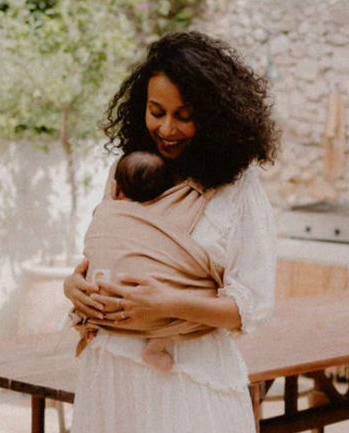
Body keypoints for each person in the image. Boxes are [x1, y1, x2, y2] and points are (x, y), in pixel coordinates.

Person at [62, 30, 278, 433]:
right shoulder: (128, 171)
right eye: (156, 111)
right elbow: (112, 250)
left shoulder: (236, 188)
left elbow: (252, 306)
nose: (166, 128)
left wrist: (168, 303)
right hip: (110, 374)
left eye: (184, 115)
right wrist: (73, 287)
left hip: (187, 382)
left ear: (213, 116)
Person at [70, 150, 219, 373]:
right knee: (190, 296)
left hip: (101, 302)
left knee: (95, 280)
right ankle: (154, 348)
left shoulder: (103, 212)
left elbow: (93, 243)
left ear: (115, 188)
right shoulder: (165, 216)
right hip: (153, 312)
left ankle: (88, 326)